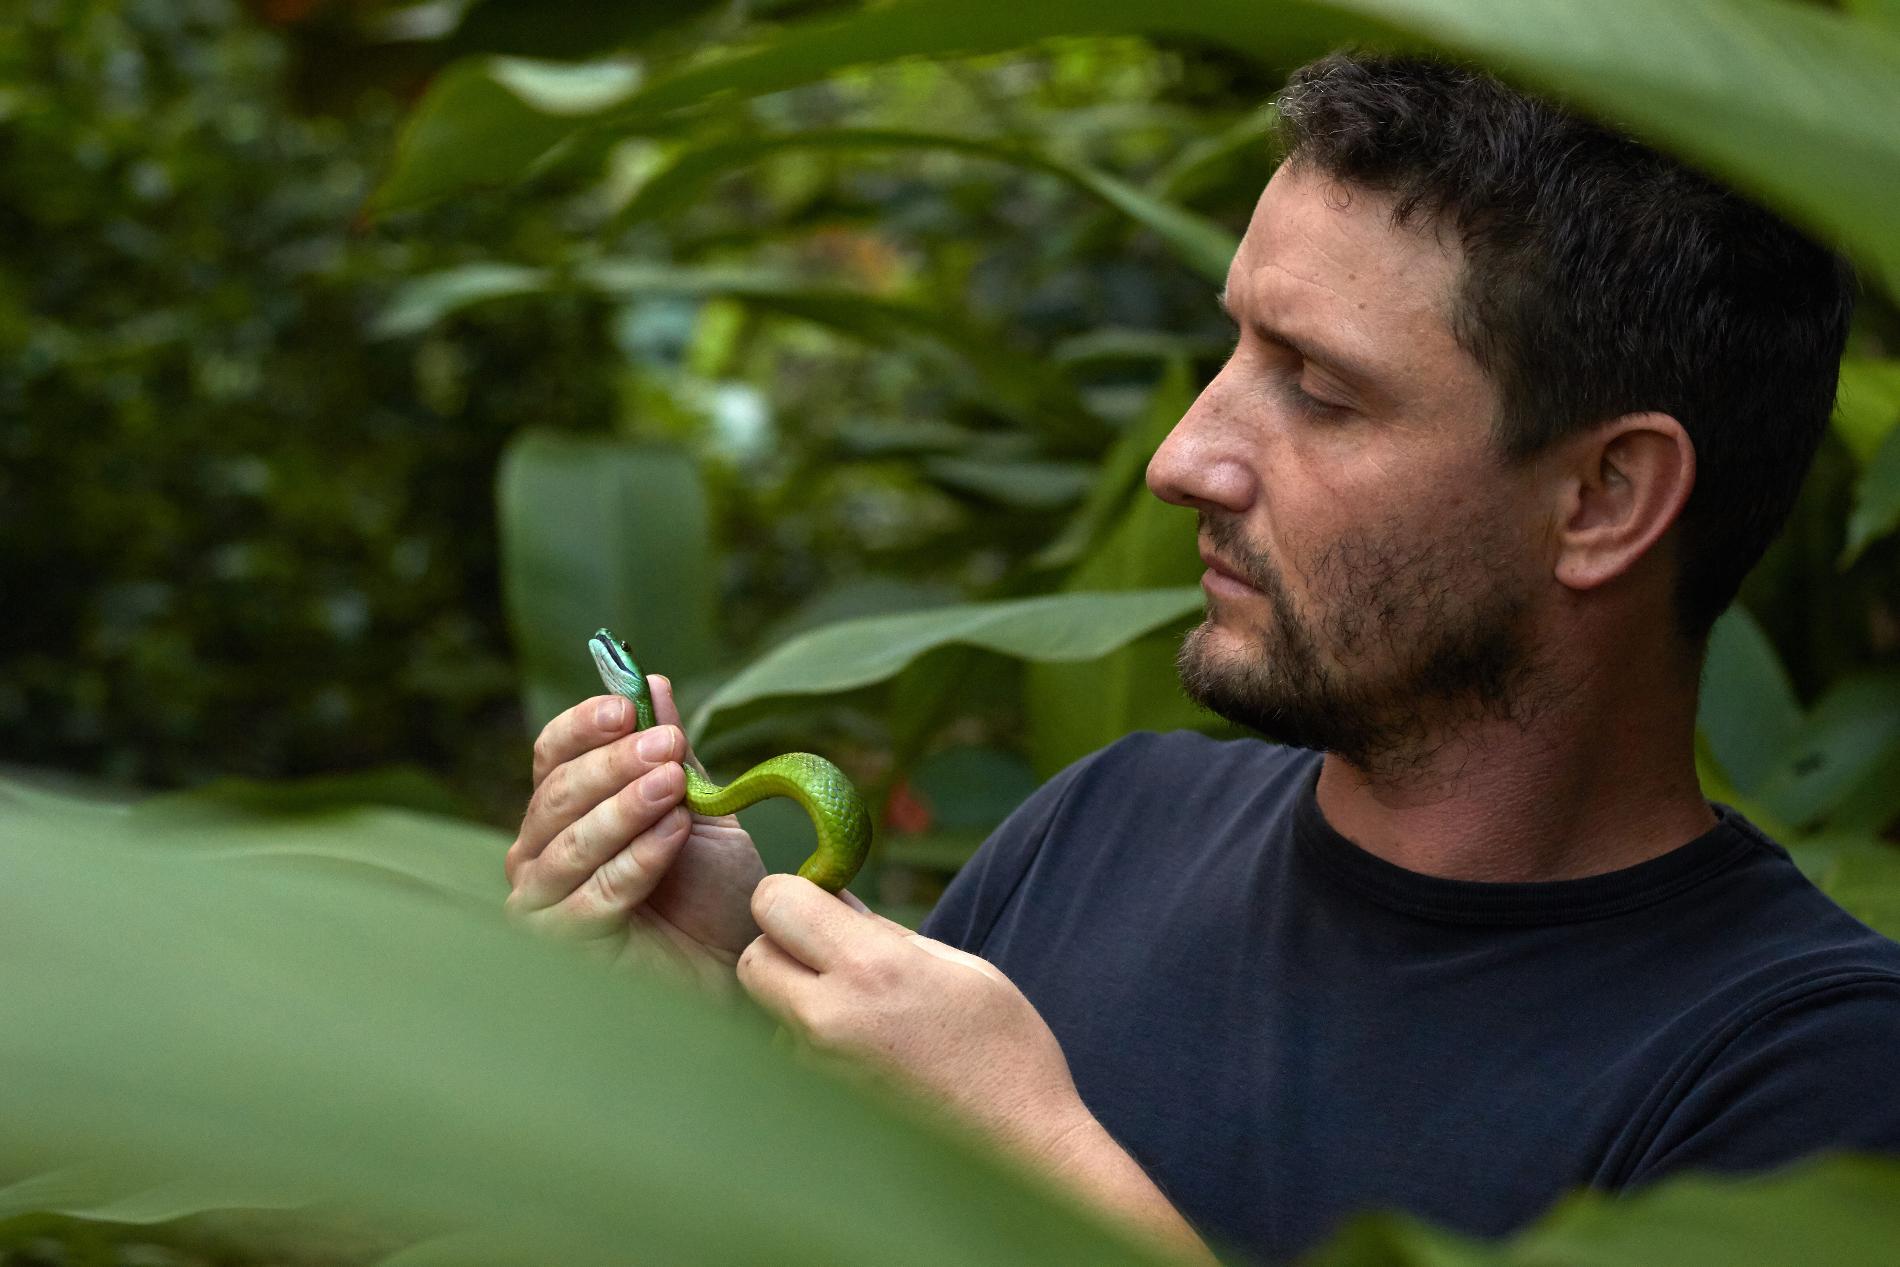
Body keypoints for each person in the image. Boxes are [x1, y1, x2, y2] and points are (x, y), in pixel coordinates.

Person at [502, 49, 1900, 1265]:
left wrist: (1041, 1159)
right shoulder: (1104, 826)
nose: (1184, 458)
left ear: (1602, 500)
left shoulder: (1811, 1079)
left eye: (1320, 390)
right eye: (1232, 347)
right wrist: (708, 1031)